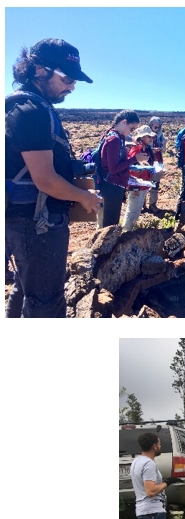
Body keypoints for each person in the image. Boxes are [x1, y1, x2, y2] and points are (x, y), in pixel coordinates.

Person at [5, 38, 101, 318]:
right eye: (68, 78)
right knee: (46, 302)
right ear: (38, 70)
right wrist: (85, 197)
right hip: (38, 223)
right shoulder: (31, 112)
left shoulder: (26, 107)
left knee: (25, 288)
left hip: (27, 218)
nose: (72, 86)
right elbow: (45, 179)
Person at [98, 110, 147, 228]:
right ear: (124, 122)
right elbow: (113, 168)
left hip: (112, 184)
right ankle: (106, 246)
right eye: (132, 128)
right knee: (110, 225)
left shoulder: (114, 135)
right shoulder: (114, 139)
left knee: (108, 222)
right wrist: (134, 159)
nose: (132, 132)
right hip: (112, 186)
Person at [122, 125, 155, 232]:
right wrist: (142, 167)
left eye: (151, 137)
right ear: (141, 138)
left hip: (143, 184)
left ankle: (129, 231)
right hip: (136, 185)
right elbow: (130, 166)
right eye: (148, 136)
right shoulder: (136, 150)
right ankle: (126, 232)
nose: (151, 139)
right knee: (132, 210)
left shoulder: (146, 149)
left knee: (137, 209)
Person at [147, 116, 166, 211]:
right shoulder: (145, 135)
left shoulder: (161, 136)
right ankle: (142, 204)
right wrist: (152, 149)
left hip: (157, 162)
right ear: (150, 125)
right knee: (144, 183)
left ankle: (152, 204)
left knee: (155, 184)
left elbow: (164, 148)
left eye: (159, 127)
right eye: (155, 127)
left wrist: (162, 148)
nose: (157, 129)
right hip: (147, 162)